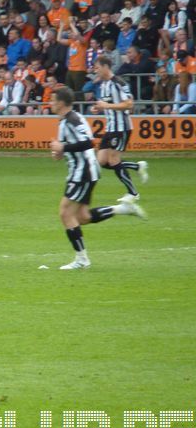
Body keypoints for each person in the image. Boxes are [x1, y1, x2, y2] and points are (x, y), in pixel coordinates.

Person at [49, 87, 146, 270]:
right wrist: (60, 153)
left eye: (53, 100)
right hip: (82, 170)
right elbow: (73, 146)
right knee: (83, 217)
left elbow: (88, 143)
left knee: (65, 213)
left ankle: (82, 259)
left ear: (61, 102)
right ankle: (123, 209)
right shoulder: (67, 120)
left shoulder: (72, 120)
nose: (50, 103)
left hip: (83, 172)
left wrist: (63, 147)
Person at [91, 56, 149, 202]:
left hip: (122, 127)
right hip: (110, 128)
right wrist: (99, 108)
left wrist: (107, 106)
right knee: (102, 161)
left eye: (97, 67)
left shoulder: (119, 82)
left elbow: (129, 104)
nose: (95, 70)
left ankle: (133, 193)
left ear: (105, 67)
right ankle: (137, 167)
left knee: (114, 159)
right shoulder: (104, 84)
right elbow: (109, 104)